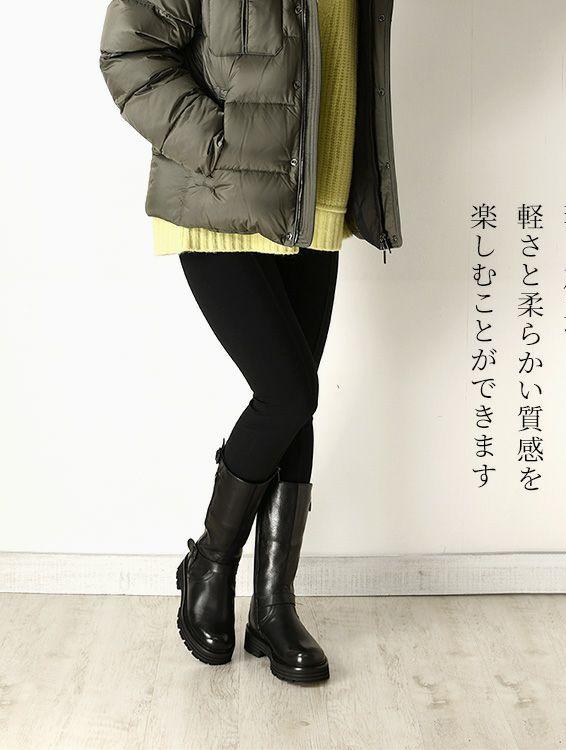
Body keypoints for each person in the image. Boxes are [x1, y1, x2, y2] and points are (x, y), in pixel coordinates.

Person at [99, 0, 402, 684]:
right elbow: (129, 51)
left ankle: (273, 607)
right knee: (288, 393)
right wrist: (218, 142)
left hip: (316, 194)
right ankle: (211, 561)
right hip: (220, 197)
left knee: (296, 404)